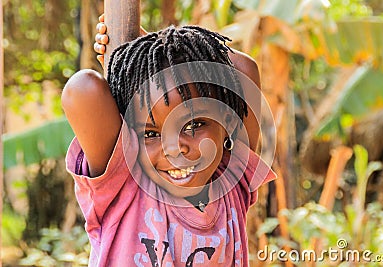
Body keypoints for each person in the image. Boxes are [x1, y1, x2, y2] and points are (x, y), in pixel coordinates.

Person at [62, 14, 276, 266]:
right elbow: (82, 89)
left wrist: (167, 52)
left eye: (193, 124)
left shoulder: (231, 180)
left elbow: (244, 70)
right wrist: (139, 55)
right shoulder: (125, 184)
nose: (174, 148)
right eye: (151, 134)